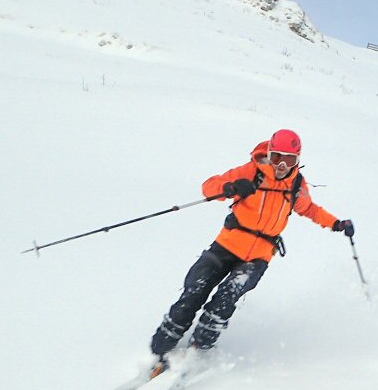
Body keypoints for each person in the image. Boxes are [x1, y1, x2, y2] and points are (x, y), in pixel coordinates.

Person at [148, 128, 354, 362]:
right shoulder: (252, 171)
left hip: (258, 257)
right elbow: (210, 186)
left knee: (226, 297)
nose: (281, 165)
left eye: (289, 160)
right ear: (269, 153)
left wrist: (336, 223)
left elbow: (309, 209)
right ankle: (161, 346)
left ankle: (199, 348)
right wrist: (230, 188)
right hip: (226, 245)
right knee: (195, 289)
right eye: (277, 157)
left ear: (297, 160)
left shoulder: (296, 185)